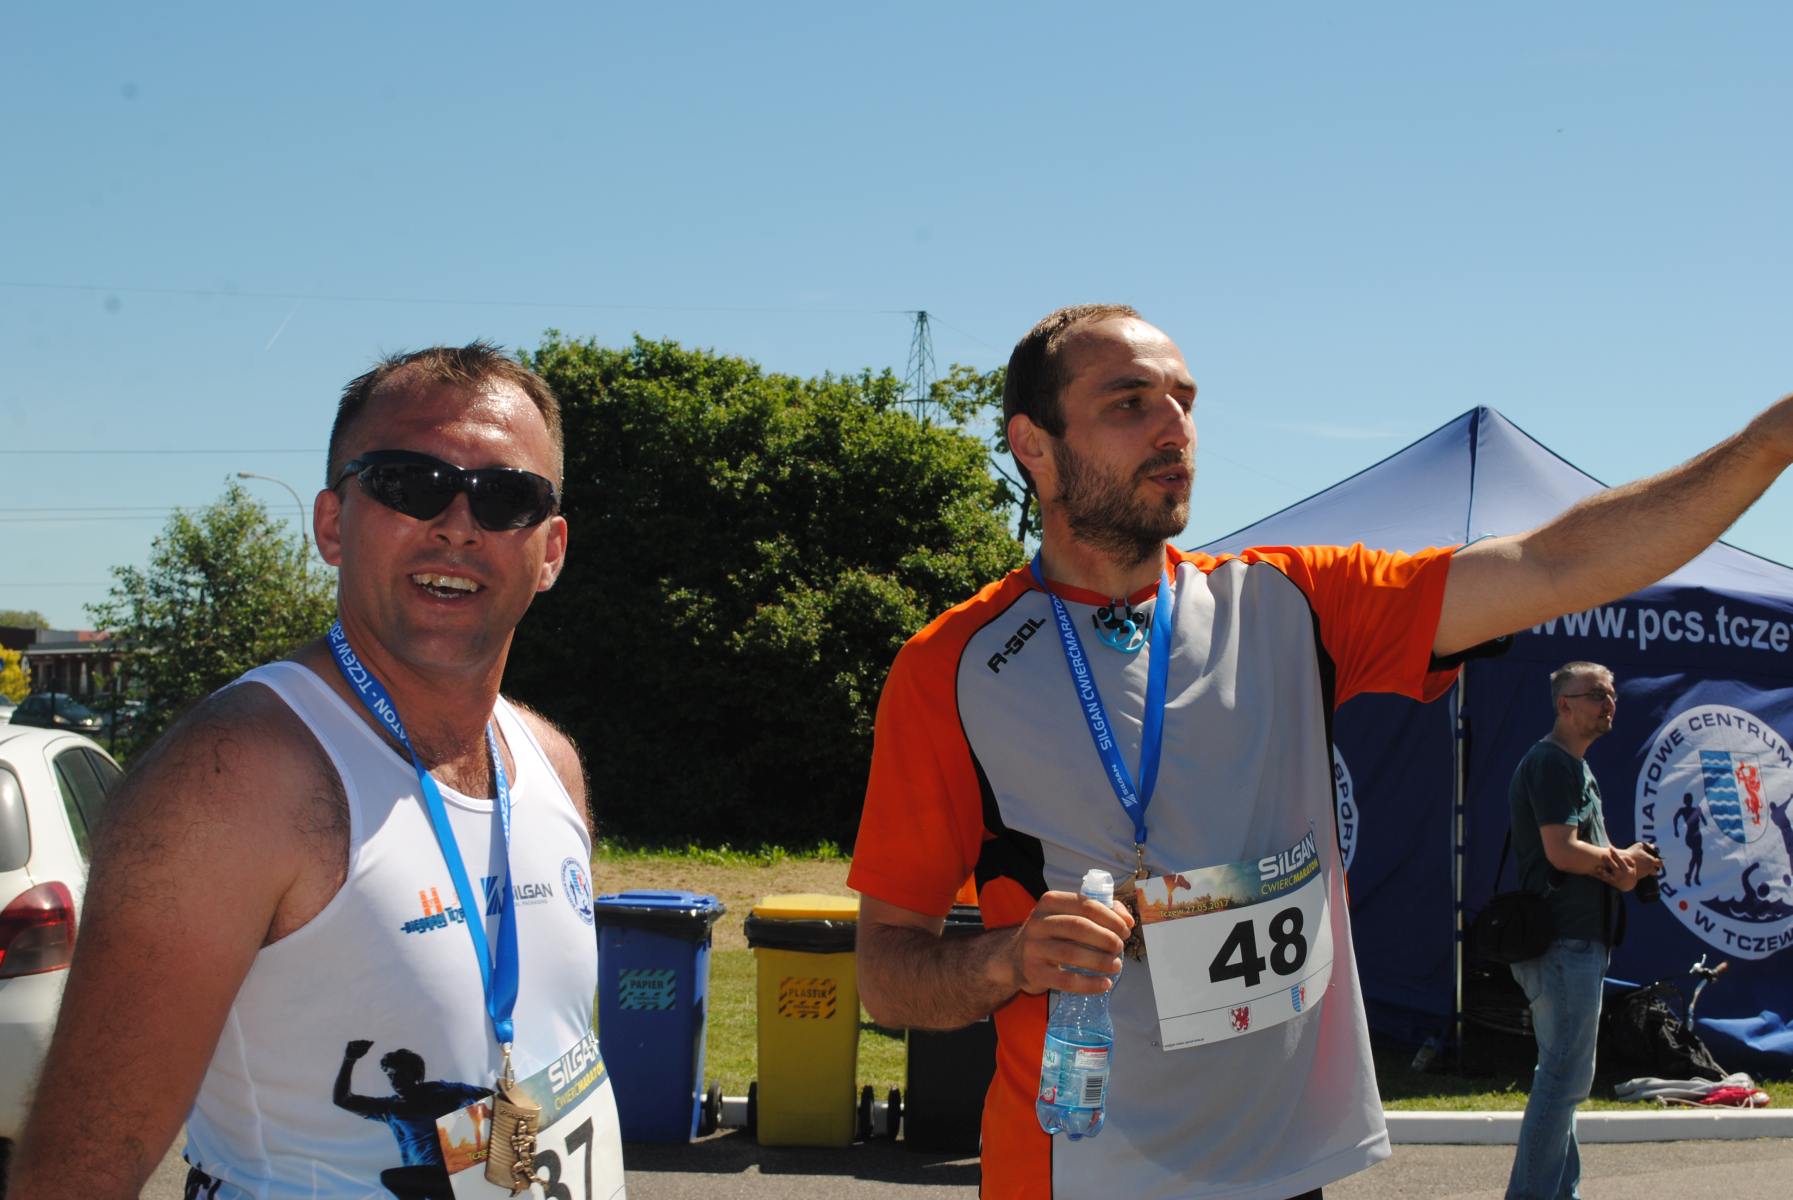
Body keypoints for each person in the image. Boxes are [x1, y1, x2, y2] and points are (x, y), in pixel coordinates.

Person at [848, 303, 1793, 1200]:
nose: (1174, 429)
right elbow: (887, 976)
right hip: (1077, 1170)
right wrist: (1005, 961)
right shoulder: (950, 670)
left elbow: (1553, 564)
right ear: (1033, 444)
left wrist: (1769, 443)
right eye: (1129, 403)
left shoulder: (1287, 603)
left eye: (1183, 400)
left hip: (1288, 1167)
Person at [8, 345, 625, 1200]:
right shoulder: (234, 778)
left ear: (550, 549)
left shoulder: (548, 763)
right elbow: (77, 1170)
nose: (457, 524)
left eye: (506, 496)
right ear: (332, 524)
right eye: (409, 483)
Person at [1504, 662, 1660, 1200]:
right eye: (1596, 694)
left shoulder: (1574, 766)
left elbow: (1589, 855)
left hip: (1573, 940)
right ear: (1563, 704)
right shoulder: (1552, 762)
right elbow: (1563, 851)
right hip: (1563, 941)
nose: (1608, 703)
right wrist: (1626, 863)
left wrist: (1627, 864)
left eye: (1612, 694)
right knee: (1562, 1080)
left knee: (1565, 1080)